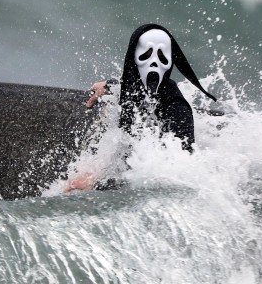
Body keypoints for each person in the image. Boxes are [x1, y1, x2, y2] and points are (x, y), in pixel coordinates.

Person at [66, 24, 217, 192]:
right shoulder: (132, 90)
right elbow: (130, 82)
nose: (153, 63)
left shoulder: (177, 108)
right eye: (147, 54)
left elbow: (168, 180)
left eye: (161, 56)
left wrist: (95, 184)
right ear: (133, 57)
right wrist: (109, 85)